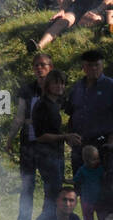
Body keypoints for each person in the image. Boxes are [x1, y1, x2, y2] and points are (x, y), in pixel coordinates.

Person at [8, 53, 53, 220]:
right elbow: (19, 116)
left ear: (50, 67)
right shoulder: (27, 89)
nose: (39, 68)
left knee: (50, 190)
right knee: (27, 189)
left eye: (43, 65)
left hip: (49, 147)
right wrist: (10, 138)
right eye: (36, 65)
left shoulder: (57, 87)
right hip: (28, 145)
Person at [64, 50, 113, 171]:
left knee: (102, 184)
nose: (94, 68)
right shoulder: (78, 87)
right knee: (80, 183)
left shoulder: (111, 86)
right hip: (79, 145)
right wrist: (69, 136)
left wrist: (111, 141)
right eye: (89, 65)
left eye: (97, 65)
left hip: (102, 145)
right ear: (83, 67)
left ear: (102, 65)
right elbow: (72, 113)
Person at [31, 70, 77, 210]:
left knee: (55, 193)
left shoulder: (57, 103)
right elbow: (40, 136)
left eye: (62, 83)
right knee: (53, 194)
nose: (60, 87)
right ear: (48, 85)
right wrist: (65, 137)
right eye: (56, 83)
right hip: (45, 155)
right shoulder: (42, 105)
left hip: (56, 153)